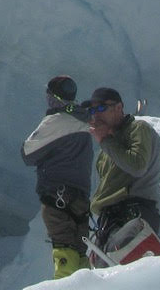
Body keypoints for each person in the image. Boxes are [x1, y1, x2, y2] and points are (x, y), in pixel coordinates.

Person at [21, 76, 93, 279]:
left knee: (64, 249)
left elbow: (27, 153)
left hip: (57, 196)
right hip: (81, 198)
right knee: (79, 251)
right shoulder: (83, 120)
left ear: (52, 98)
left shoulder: (55, 121)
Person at [85, 87, 160, 253]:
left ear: (118, 107)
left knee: (116, 258)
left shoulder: (138, 128)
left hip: (134, 212)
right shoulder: (106, 149)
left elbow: (137, 166)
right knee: (105, 262)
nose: (96, 114)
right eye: (92, 110)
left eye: (101, 108)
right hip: (110, 221)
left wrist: (105, 140)